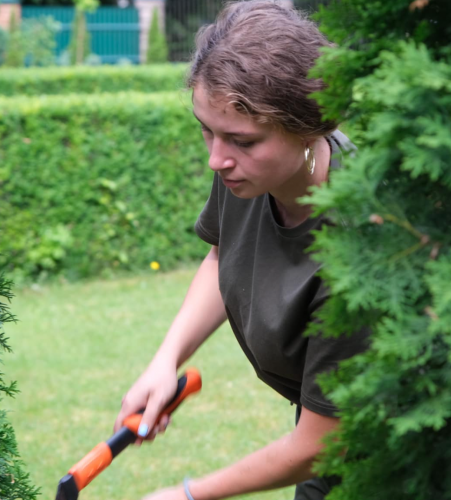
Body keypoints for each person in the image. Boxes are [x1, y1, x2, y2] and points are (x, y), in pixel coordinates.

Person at [113, 2, 370, 499]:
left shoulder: (360, 248)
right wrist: (165, 361)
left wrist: (188, 494)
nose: (216, 158)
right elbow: (222, 255)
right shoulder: (249, 174)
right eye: (206, 130)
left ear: (310, 127)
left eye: (241, 140)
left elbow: (320, 445)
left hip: (390, 464)